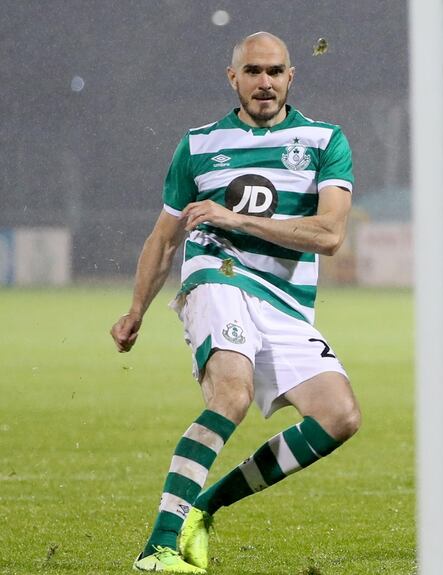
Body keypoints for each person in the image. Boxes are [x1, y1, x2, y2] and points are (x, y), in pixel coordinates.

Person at [110, 31, 361, 574]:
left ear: (291, 76)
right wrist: (136, 310)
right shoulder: (198, 144)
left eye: (274, 72)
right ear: (234, 78)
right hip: (217, 278)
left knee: (339, 416)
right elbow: (164, 238)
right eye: (253, 72)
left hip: (285, 301)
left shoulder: (324, 140)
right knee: (232, 394)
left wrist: (236, 219)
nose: (264, 83)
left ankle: (206, 507)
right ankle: (157, 546)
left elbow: (329, 235)